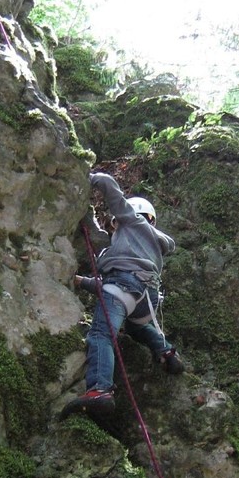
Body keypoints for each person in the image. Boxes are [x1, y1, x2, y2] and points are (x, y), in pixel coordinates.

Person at [60, 170, 184, 420]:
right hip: (146, 300)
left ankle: (100, 389)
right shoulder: (150, 246)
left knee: (101, 334)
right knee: (136, 327)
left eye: (113, 223)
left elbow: (112, 191)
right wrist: (82, 282)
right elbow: (112, 285)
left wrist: (88, 175)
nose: (112, 228)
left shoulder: (132, 223)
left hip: (124, 288)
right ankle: (167, 351)